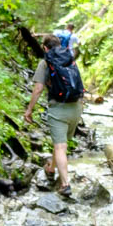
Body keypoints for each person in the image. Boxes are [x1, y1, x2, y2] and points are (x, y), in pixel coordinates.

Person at [23, 33, 85, 197]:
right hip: (76, 107)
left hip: (58, 109)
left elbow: (38, 89)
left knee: (60, 146)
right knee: (61, 144)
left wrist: (29, 110)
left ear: (45, 48)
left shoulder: (45, 63)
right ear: (59, 45)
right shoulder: (70, 60)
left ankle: (65, 184)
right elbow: (78, 84)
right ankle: (51, 169)